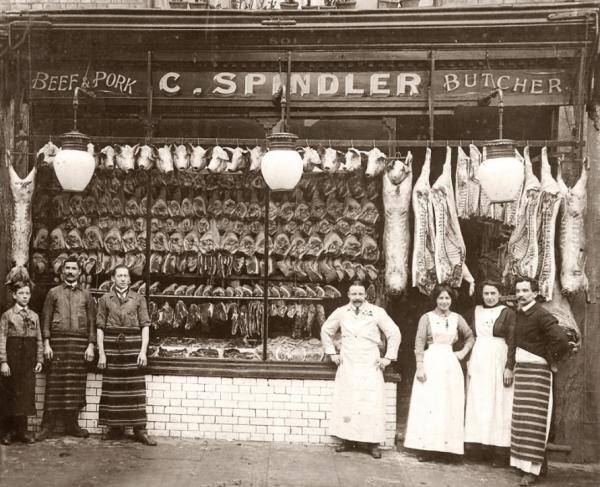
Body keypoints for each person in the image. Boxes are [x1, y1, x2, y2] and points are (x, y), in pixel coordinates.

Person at [320, 281, 401, 459]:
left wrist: (387, 357)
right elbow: (326, 330)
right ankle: (347, 440)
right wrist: (332, 353)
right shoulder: (341, 312)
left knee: (370, 402)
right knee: (348, 401)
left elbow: (394, 332)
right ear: (348, 295)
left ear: (366, 295)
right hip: (348, 361)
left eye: (360, 294)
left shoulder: (377, 312)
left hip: (369, 363)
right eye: (354, 294)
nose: (357, 298)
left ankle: (373, 444)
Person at [403, 284, 474, 461]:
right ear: (435, 299)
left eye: (447, 298)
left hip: (450, 363)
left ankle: (448, 450)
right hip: (430, 362)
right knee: (430, 405)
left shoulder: (457, 318)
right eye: (441, 298)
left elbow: (470, 336)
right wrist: (419, 366)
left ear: (452, 300)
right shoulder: (426, 318)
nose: (444, 301)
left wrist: (462, 353)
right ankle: (427, 448)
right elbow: (419, 343)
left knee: (449, 404)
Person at [509, 277, 569, 487]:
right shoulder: (521, 313)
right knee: (522, 421)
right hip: (523, 371)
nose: (521, 294)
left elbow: (561, 340)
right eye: (518, 290)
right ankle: (526, 466)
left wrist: (550, 358)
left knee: (535, 421)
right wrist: (510, 366)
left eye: (525, 290)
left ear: (535, 293)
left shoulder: (541, 314)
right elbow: (514, 342)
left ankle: (532, 472)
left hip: (537, 373)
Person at [96, 264, 156, 446]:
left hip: (133, 347)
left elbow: (145, 326)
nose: (122, 279)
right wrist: (102, 354)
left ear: (130, 280)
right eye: (119, 276)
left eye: (125, 276)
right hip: (112, 349)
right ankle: (114, 428)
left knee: (135, 389)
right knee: (113, 388)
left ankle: (140, 430)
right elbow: (100, 328)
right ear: (113, 279)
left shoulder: (138, 299)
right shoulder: (105, 299)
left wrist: (143, 351)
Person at [37, 257, 96, 441]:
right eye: (67, 268)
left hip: (79, 345)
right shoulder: (53, 293)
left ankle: (72, 425)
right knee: (54, 385)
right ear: (62, 272)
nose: (70, 271)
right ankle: (47, 426)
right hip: (58, 344)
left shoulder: (86, 294)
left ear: (80, 272)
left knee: (75, 385)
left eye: (74, 268)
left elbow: (93, 322)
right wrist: (46, 343)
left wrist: (90, 345)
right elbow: (45, 319)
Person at [464, 281, 516, 466]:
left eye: (493, 293)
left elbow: (512, 340)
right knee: (479, 401)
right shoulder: (475, 311)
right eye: (486, 293)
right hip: (479, 358)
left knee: (499, 402)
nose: (489, 297)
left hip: (499, 358)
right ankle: (478, 448)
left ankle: (499, 451)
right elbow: (467, 335)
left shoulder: (508, 313)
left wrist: (509, 366)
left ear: (500, 294)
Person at [0, 281, 43, 444]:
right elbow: (2, 338)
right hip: (13, 358)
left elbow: (39, 339)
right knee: (9, 394)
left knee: (25, 395)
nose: (25, 296)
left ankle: (22, 431)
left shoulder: (34, 316)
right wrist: (3, 361)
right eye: (21, 294)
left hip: (28, 359)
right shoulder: (7, 315)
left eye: (27, 294)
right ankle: (7, 432)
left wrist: (39, 359)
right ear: (14, 295)